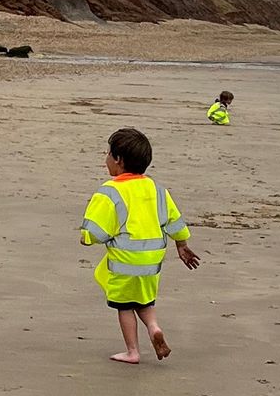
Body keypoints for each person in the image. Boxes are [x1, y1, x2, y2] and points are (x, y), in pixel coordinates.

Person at [80, 126, 199, 364]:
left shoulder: (110, 191)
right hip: (152, 261)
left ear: (118, 160)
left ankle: (132, 351)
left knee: (124, 305)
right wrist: (181, 245)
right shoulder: (157, 189)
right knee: (144, 299)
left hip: (125, 260)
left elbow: (95, 231)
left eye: (108, 154)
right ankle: (154, 327)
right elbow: (174, 221)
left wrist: (86, 238)